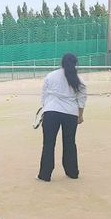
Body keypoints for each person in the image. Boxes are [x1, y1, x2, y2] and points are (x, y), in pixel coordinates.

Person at [37, 53, 87, 182]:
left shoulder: (51, 76)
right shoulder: (79, 80)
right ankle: (72, 172)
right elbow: (82, 99)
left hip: (51, 112)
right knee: (70, 143)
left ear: (62, 62)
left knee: (48, 144)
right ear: (75, 64)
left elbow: (44, 95)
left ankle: (45, 175)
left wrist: (44, 108)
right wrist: (80, 115)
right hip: (70, 113)